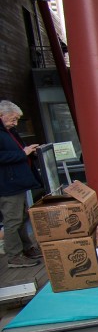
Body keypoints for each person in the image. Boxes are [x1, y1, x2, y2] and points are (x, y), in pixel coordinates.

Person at [0, 101, 42, 268]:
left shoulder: (9, 131)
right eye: (13, 119)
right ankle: (14, 255)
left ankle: (26, 248)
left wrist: (29, 151)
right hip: (7, 184)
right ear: (1, 115)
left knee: (21, 217)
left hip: (16, 182)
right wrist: (22, 153)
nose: (15, 123)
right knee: (13, 219)